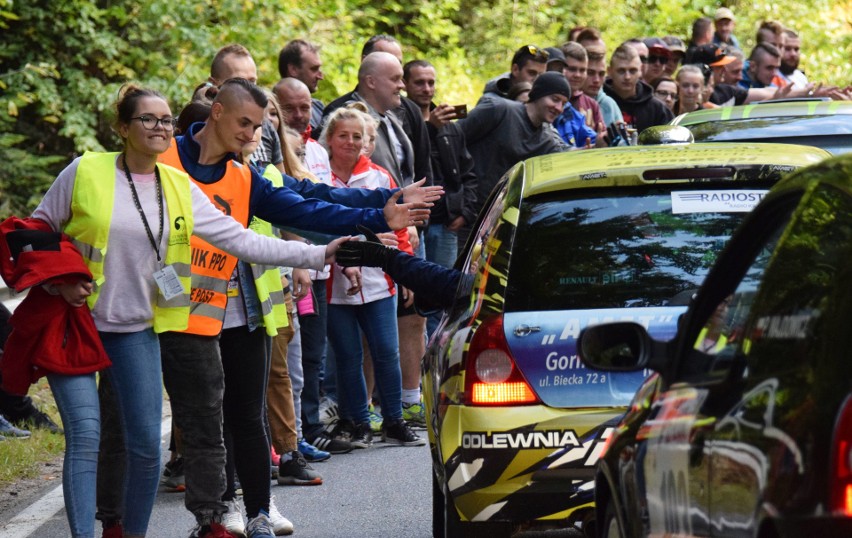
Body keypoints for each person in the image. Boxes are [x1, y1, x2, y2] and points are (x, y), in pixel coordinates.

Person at [31, 85, 344, 538]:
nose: (160, 128)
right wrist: (59, 278)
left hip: (159, 321)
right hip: (87, 325)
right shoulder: (86, 171)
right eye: (147, 120)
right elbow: (39, 227)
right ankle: (109, 523)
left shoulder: (178, 184)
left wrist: (317, 256)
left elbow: (240, 239)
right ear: (123, 127)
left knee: (181, 430)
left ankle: (211, 518)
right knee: (96, 434)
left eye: (165, 120)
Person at [320, 105, 425, 448]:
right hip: (334, 283)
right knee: (347, 356)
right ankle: (360, 422)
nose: (349, 142)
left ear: (367, 142)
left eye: (357, 137)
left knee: (386, 350)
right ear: (329, 139)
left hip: (380, 281)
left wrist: (407, 272)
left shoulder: (380, 177)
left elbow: (404, 228)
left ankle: (394, 419)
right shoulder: (317, 176)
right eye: (342, 136)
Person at [603, 44, 674, 133]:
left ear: (640, 70)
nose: (627, 77)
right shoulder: (599, 102)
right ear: (610, 71)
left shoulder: (656, 109)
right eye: (621, 71)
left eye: (633, 71)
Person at [277, 39, 325, 133]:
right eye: (314, 69)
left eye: (304, 108)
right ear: (293, 69)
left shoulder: (319, 108)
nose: (320, 76)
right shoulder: (268, 111)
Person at [480, 44, 549, 102]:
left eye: (541, 75)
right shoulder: (491, 101)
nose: (537, 79)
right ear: (515, 70)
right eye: (531, 73)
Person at [582, 45, 624, 128]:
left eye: (601, 74)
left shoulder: (609, 105)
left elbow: (623, 141)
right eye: (590, 73)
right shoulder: (565, 103)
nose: (596, 80)